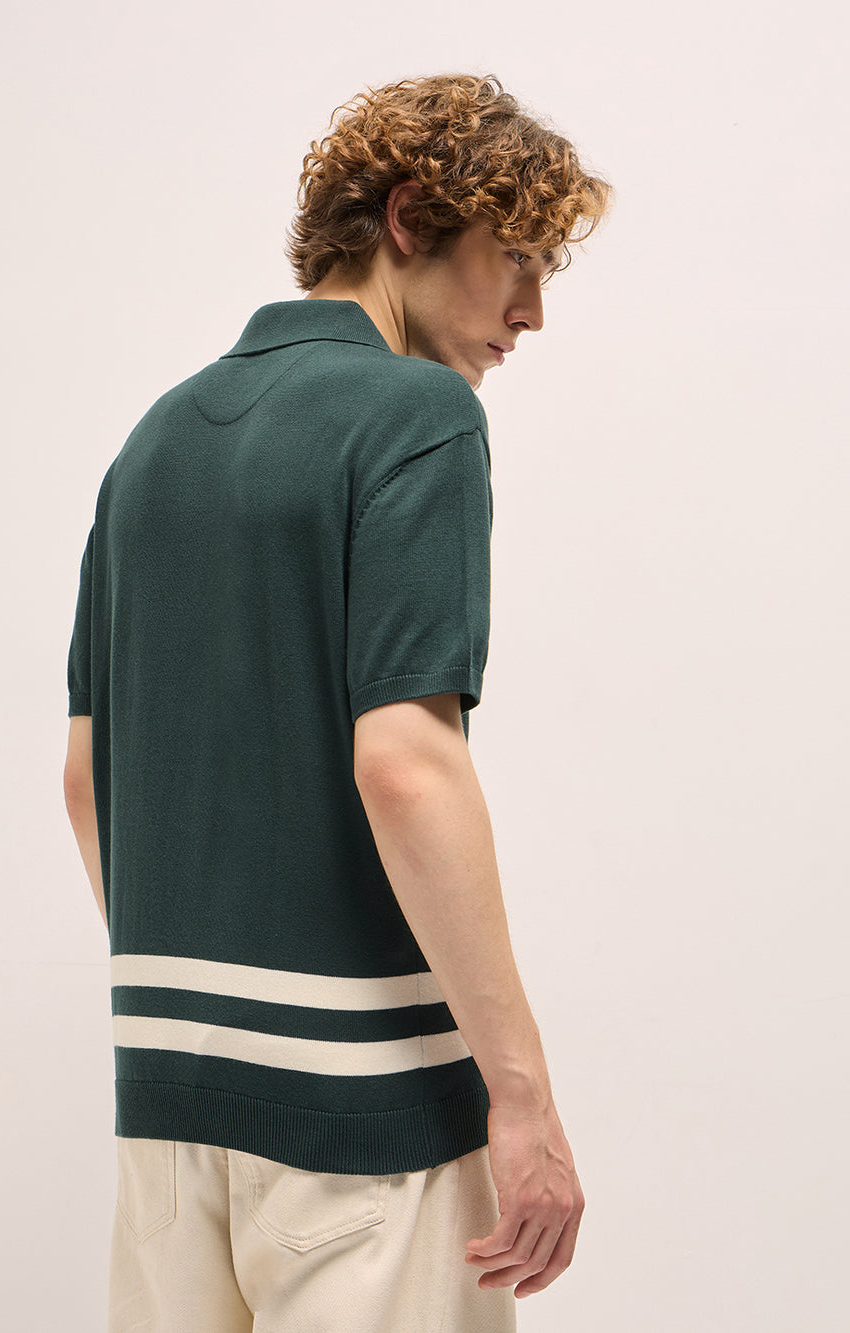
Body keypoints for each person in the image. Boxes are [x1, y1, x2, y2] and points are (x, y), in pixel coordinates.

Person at [63, 71, 613, 1332]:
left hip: (169, 1119)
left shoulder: (152, 442)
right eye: (516, 258)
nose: (531, 313)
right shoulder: (417, 417)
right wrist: (520, 1097)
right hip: (367, 1125)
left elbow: (87, 777)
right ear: (412, 218)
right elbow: (406, 764)